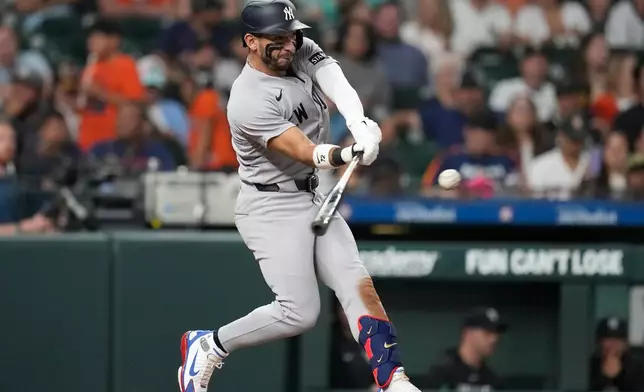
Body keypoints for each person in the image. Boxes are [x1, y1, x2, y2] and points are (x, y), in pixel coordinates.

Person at [177, 1, 422, 392]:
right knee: (300, 313)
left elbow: (334, 78)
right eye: (276, 38)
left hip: (311, 193)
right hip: (269, 205)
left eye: (290, 35)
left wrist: (359, 123)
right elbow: (303, 149)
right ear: (250, 42)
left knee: (355, 279)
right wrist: (347, 153)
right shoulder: (246, 99)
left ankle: (393, 379)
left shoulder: (298, 47)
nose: (288, 45)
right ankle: (209, 344)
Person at [77, 19, 145, 151]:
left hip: (112, 140)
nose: (91, 40)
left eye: (98, 36)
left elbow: (134, 104)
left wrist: (101, 93)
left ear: (114, 40)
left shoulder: (125, 64)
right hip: (86, 139)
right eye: (90, 36)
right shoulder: (91, 65)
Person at [425, 307, 507, 391]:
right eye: (487, 332)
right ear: (468, 333)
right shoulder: (442, 372)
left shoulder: (493, 379)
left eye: (497, 333)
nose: (494, 339)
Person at [89, 103, 176, 172]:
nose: (122, 123)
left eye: (129, 119)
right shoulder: (101, 150)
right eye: (120, 118)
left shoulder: (158, 153)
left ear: (142, 124)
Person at [589, 317, 644, 390]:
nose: (612, 345)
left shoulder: (638, 366)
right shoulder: (590, 365)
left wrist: (620, 373)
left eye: (617, 340)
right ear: (599, 343)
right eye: (607, 340)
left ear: (625, 344)